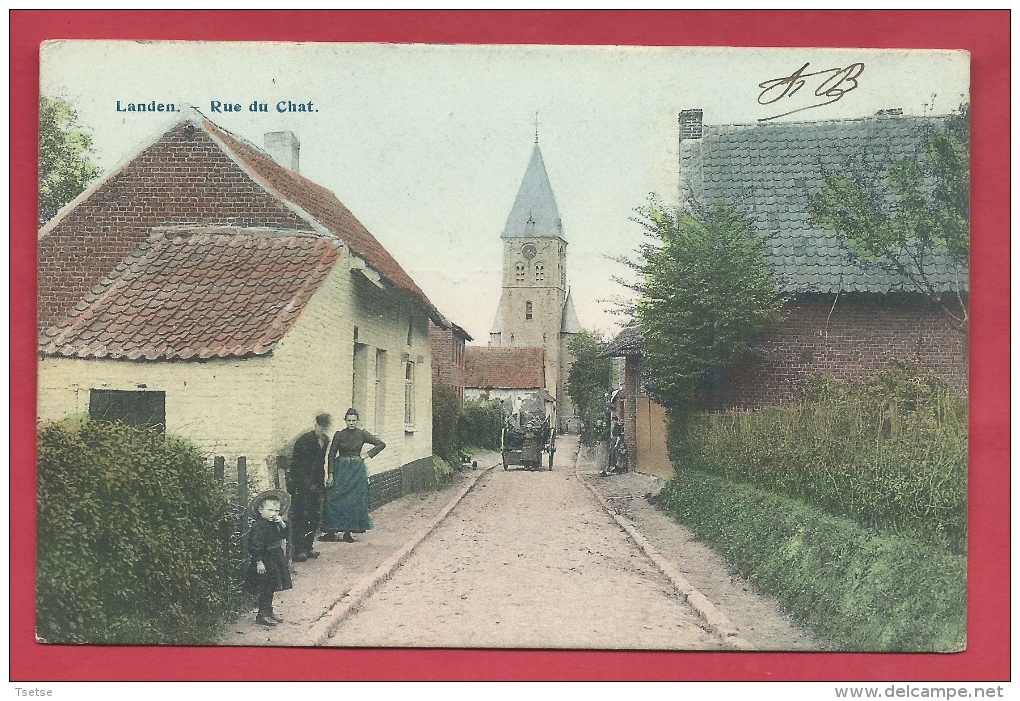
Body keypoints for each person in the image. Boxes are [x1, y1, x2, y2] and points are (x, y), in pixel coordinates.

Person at [321, 408, 385, 543]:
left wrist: (366, 455)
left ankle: (348, 532)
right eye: (349, 420)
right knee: (333, 497)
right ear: (345, 421)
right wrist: (330, 474)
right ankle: (331, 531)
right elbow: (332, 454)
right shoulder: (339, 435)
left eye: (354, 421)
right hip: (341, 469)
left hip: (356, 470)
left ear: (357, 421)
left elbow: (381, 444)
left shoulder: (362, 434)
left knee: (353, 500)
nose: (351, 423)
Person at [244, 489, 293, 627]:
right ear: (261, 510)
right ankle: (262, 614)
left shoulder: (274, 523)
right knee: (265, 586)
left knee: (272, 585)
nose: (273, 514)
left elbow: (285, 535)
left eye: (276, 511)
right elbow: (255, 545)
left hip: (275, 557)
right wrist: (259, 561)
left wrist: (282, 523)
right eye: (270, 510)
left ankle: (269, 611)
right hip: (265, 559)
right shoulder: (259, 526)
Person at [287, 413, 331, 562]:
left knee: (314, 515)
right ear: (316, 425)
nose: (322, 430)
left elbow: (321, 464)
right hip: (301, 485)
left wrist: (320, 483)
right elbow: (298, 466)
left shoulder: (325, 440)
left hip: (316, 484)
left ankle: (308, 547)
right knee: (301, 516)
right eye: (320, 427)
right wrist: (306, 485)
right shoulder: (304, 441)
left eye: (325, 428)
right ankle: (298, 550)